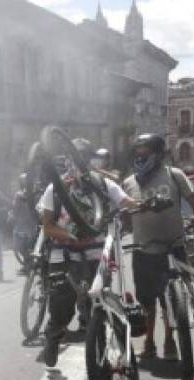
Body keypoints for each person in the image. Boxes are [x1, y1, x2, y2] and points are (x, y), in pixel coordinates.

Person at [41, 140, 135, 367]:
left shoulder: (103, 184)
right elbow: (47, 226)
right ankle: (53, 338)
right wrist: (70, 235)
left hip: (96, 254)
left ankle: (100, 358)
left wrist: (147, 203)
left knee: (97, 307)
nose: (76, 162)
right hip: (64, 254)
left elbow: (126, 202)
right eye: (72, 157)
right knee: (61, 308)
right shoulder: (55, 188)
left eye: (81, 157)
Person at [121, 134, 194, 360]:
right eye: (137, 151)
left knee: (171, 300)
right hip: (143, 250)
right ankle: (149, 342)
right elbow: (122, 215)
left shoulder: (175, 174)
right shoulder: (129, 182)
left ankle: (170, 339)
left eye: (145, 151)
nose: (140, 156)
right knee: (147, 302)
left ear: (158, 153)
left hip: (174, 247)